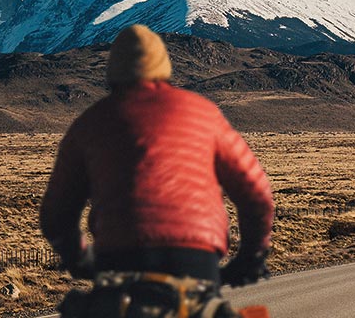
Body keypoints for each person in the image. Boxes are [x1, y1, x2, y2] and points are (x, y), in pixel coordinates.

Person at [40, 24, 274, 305]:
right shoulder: (203, 115)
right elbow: (256, 194)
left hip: (119, 260)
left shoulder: (91, 122)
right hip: (195, 260)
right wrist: (251, 257)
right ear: (163, 66)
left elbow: (56, 212)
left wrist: (78, 260)